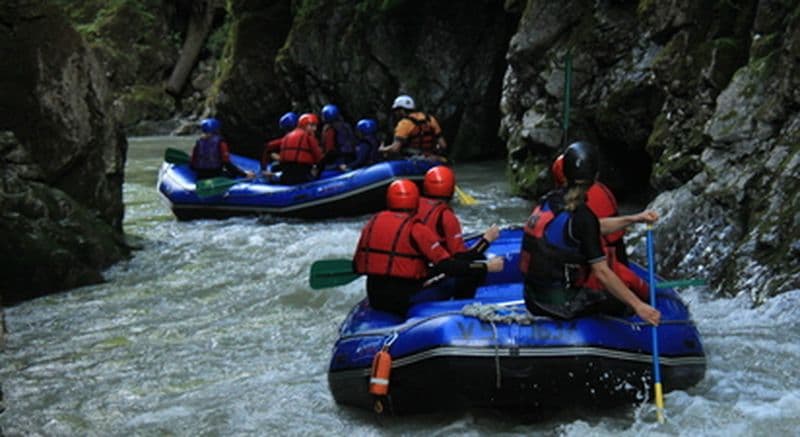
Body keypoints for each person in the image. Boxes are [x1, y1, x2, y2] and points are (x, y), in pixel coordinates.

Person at [519, 141, 660, 325]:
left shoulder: (550, 200)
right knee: (620, 302)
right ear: (595, 176)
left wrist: (634, 218)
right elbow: (602, 272)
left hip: (532, 300)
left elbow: (592, 228)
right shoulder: (582, 215)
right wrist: (639, 306)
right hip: (561, 305)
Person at [353, 179, 504, 316]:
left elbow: (356, 264)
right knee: (467, 275)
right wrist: (486, 266)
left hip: (375, 297)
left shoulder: (372, 223)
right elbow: (449, 266)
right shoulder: (417, 229)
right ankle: (461, 315)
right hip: (405, 301)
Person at [551, 152, 654, 299]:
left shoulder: (555, 204)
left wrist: (635, 218)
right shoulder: (587, 200)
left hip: (603, 254)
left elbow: (594, 228)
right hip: (605, 254)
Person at [416, 166, 500, 298]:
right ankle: (462, 302)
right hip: (427, 276)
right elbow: (463, 259)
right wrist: (487, 240)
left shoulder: (414, 205)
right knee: (478, 264)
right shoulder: (446, 217)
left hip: (409, 274)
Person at [378, 95, 447, 161]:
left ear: (401, 110)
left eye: (396, 110)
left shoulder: (404, 123)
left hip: (412, 160)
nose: (395, 113)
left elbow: (395, 148)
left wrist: (382, 149)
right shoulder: (430, 119)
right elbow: (443, 145)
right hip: (433, 158)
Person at [278, 113, 322, 185]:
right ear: (304, 125)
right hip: (301, 171)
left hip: (285, 171)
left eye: (315, 126)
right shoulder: (308, 136)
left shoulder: (287, 136)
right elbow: (318, 155)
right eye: (312, 126)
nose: (315, 129)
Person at [319, 104, 357, 168]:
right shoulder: (346, 125)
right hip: (351, 156)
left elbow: (329, 149)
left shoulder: (329, 129)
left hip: (338, 159)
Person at [261, 111, 298, 175]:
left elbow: (268, 147)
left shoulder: (285, 140)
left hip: (293, 167)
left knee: (274, 166)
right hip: (296, 167)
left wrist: (264, 169)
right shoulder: (285, 140)